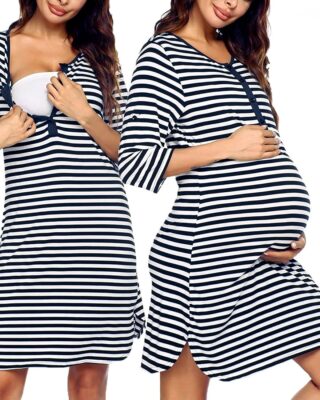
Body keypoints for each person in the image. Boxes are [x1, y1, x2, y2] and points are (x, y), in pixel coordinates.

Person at [118, 0, 320, 399]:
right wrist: (227, 146)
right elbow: (135, 161)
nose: (232, 2)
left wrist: (289, 233)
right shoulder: (164, 54)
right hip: (207, 262)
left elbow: (263, 158)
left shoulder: (241, 55)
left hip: (264, 259)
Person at [0, 1, 145, 399]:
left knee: (88, 381)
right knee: (6, 377)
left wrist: (85, 114)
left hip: (100, 240)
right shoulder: (4, 49)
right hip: (29, 241)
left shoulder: (100, 55)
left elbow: (131, 152)